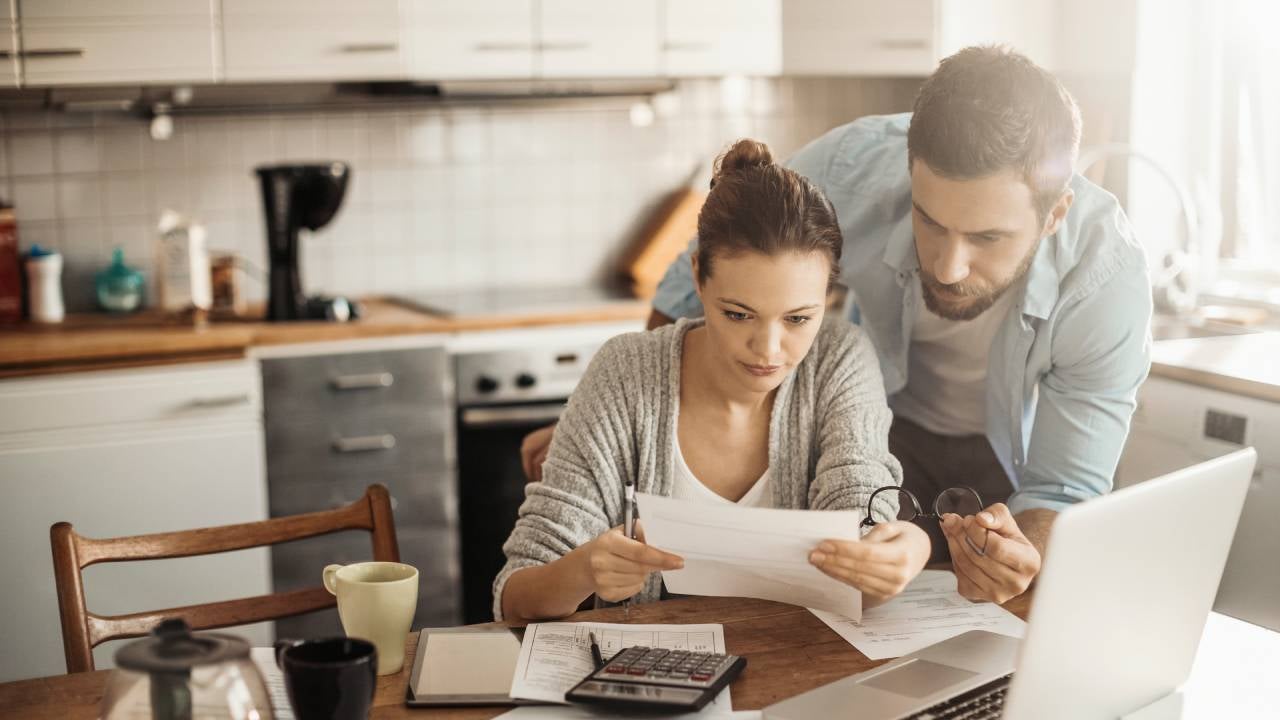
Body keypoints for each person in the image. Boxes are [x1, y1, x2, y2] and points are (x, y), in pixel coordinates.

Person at [523, 46, 1153, 606]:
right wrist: (616, 416)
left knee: (980, 614)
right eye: (930, 221)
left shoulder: (1106, 282)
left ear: (1054, 214)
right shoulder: (850, 168)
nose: (948, 265)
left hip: (1002, 466)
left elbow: (1063, 486)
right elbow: (697, 281)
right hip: (874, 423)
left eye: (987, 237)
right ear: (910, 175)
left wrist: (1025, 556)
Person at [495, 140, 931, 625]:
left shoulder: (839, 361)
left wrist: (901, 550)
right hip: (647, 684)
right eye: (738, 314)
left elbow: (860, 531)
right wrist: (583, 571)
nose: (767, 349)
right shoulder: (625, 372)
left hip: (797, 673)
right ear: (699, 277)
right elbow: (517, 597)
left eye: (797, 319)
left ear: (828, 293)